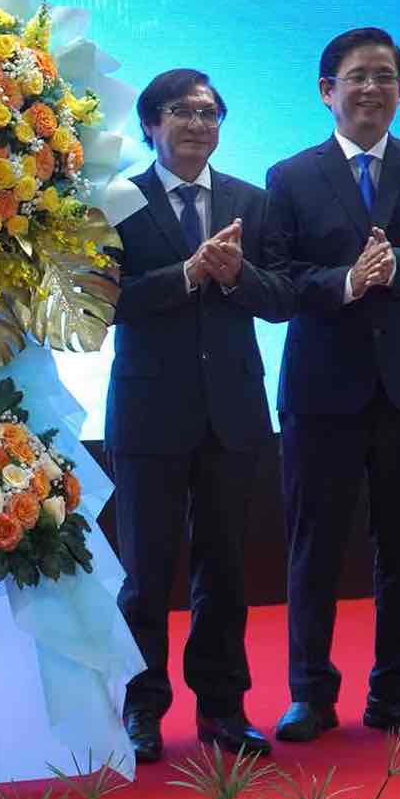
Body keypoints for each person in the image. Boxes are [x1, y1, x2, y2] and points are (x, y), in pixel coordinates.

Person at [264, 27, 400, 745]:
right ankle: (309, 695)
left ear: (399, 88)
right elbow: (279, 279)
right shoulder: (290, 177)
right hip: (322, 391)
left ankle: (397, 693)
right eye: (357, 76)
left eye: (386, 76)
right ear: (327, 90)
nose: (372, 88)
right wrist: (347, 282)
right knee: (314, 547)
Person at [107, 69, 295, 763]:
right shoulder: (116, 198)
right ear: (151, 124)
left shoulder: (252, 200)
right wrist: (189, 273)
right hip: (149, 412)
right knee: (146, 574)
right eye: (182, 112)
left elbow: (283, 296)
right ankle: (142, 709)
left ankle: (223, 708)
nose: (198, 124)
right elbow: (106, 301)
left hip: (233, 414)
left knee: (225, 570)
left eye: (210, 113)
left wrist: (236, 275)